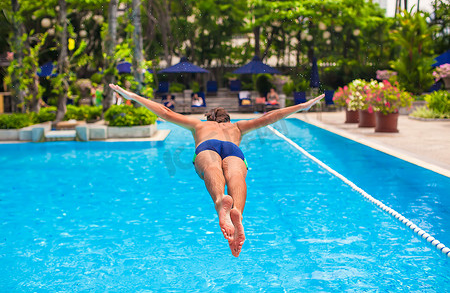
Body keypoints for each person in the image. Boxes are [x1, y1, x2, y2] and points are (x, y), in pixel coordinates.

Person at [109, 83, 324, 257]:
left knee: (212, 166)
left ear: (209, 118)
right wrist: (302, 106)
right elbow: (269, 116)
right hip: (233, 149)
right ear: (227, 120)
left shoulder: (200, 125)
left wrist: (131, 95)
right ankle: (237, 211)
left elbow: (165, 112)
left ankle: (221, 200)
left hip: (206, 145)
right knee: (236, 174)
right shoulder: (236, 127)